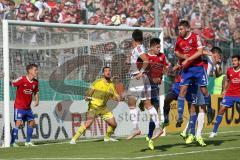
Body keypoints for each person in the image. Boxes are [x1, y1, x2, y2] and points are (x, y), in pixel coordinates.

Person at [174, 20, 213, 128]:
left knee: (204, 91)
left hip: (198, 68)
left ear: (187, 28)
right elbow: (176, 52)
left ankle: (209, 109)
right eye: (178, 29)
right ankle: (180, 117)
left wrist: (188, 59)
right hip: (187, 70)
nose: (179, 31)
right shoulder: (179, 39)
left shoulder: (195, 37)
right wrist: (183, 57)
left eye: (181, 29)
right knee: (182, 91)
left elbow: (200, 52)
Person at [126, 29, 162, 141]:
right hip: (136, 79)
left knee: (146, 104)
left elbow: (146, 61)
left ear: (133, 39)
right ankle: (136, 128)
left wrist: (141, 72)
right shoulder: (137, 48)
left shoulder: (138, 47)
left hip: (139, 78)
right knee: (132, 102)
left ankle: (157, 127)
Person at [70, 67, 120, 144]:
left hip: (103, 108)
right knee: (88, 122)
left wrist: (119, 98)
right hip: (94, 106)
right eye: (106, 71)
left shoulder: (111, 84)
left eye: (109, 71)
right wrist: (87, 96)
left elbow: (115, 95)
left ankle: (107, 138)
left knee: (114, 124)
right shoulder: (98, 82)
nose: (108, 72)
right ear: (103, 73)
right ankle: (73, 139)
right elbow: (90, 91)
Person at [144, 38, 168, 150]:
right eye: (157, 47)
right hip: (147, 87)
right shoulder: (146, 57)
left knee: (155, 112)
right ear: (152, 47)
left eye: (160, 47)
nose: (159, 49)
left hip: (156, 88)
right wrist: (153, 79)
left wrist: (165, 71)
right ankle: (151, 134)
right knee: (152, 110)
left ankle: (149, 137)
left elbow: (165, 67)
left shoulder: (162, 56)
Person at [209, 55, 240, 138]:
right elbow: (227, 80)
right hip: (230, 94)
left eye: (235, 60)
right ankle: (214, 131)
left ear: (239, 61)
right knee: (221, 110)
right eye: (233, 61)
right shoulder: (229, 70)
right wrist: (224, 90)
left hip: (239, 94)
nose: (233, 62)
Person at [10, 64, 39, 147]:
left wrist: (37, 100)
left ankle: (28, 142)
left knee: (32, 122)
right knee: (18, 123)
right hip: (19, 106)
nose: (37, 71)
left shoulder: (35, 82)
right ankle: (12, 142)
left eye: (37, 70)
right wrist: (4, 78)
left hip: (27, 107)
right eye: (35, 70)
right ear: (30, 71)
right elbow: (12, 83)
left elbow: (36, 92)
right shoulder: (22, 79)